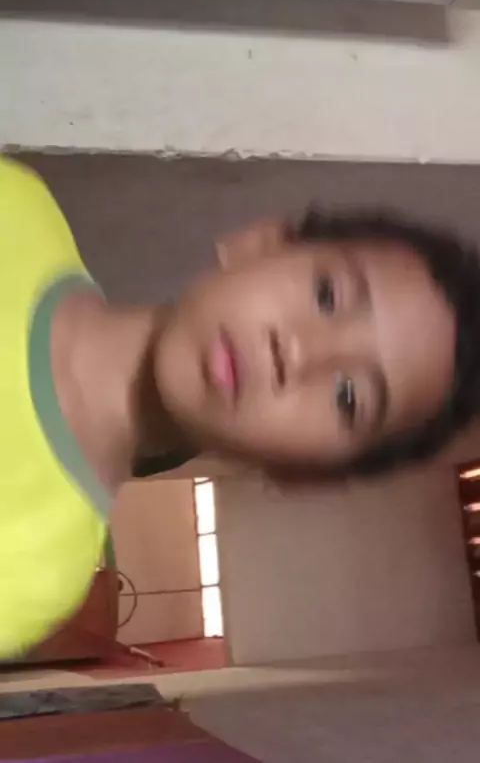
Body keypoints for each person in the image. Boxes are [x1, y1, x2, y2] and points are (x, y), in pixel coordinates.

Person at [2, 154, 480, 659]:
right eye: (326, 295)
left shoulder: (36, 567)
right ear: (258, 243)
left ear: (302, 473)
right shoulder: (17, 206)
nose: (297, 352)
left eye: (347, 396)